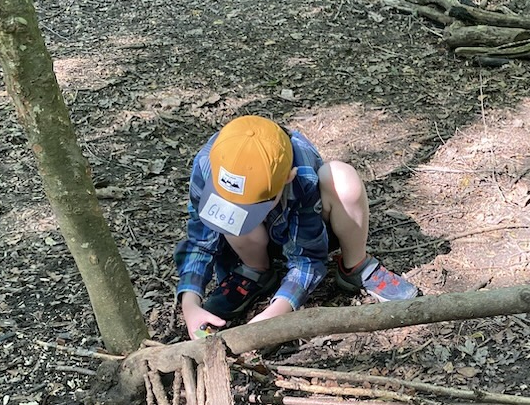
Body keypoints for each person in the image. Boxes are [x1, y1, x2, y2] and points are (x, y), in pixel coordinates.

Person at [174, 115, 418, 339]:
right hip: (250, 244)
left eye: (253, 205)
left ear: (287, 178)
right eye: (233, 204)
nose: (243, 211)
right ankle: (255, 271)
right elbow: (200, 241)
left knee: (343, 178)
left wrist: (278, 310)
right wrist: (190, 303)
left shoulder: (302, 176)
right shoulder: (209, 164)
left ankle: (355, 265)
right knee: (236, 217)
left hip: (305, 227)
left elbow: (307, 259)